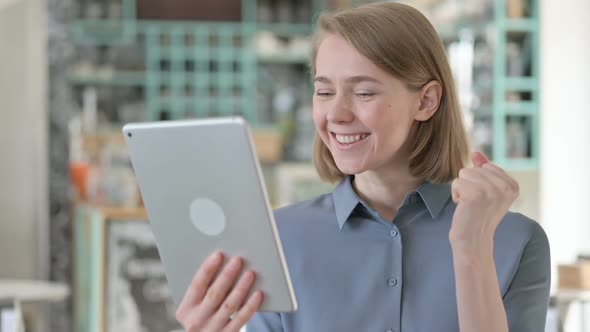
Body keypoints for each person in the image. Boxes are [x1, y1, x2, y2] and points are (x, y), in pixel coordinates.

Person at [175, 2, 551, 331]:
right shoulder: (277, 239)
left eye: (364, 91)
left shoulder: (515, 242)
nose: (335, 114)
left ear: (426, 101)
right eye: (324, 92)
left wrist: (471, 249)